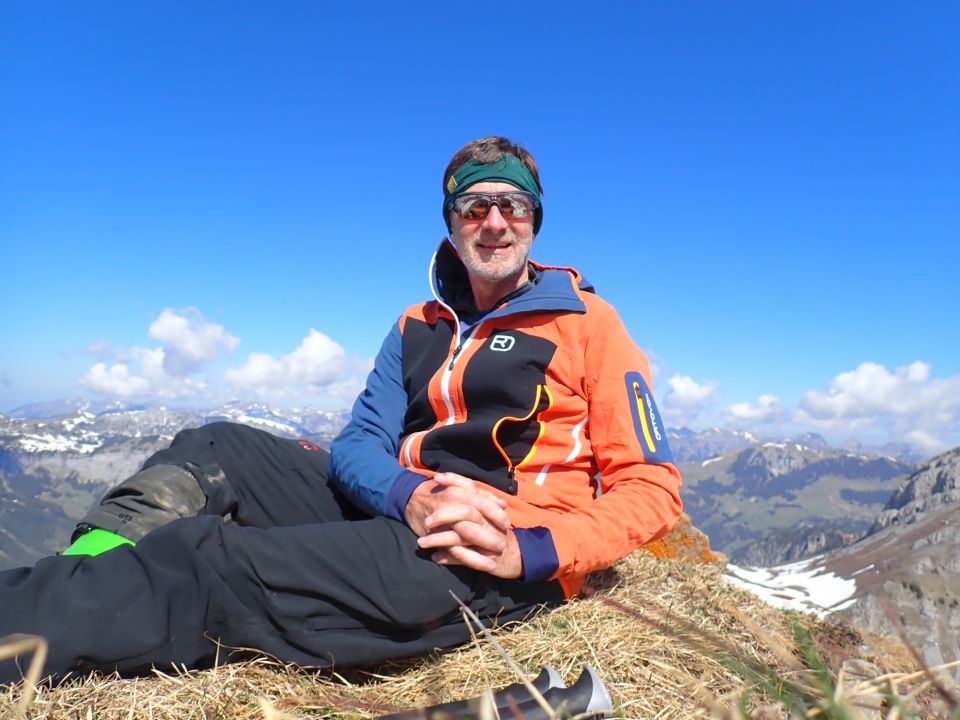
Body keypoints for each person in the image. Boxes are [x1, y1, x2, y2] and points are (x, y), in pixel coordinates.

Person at [0, 136, 683, 686]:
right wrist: (408, 494)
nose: (496, 222)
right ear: (452, 225)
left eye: (513, 205)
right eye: (475, 207)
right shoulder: (417, 324)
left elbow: (652, 488)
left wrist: (531, 549)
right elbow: (359, 443)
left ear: (535, 219)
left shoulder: (590, 323)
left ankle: (19, 630)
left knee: (215, 565)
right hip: (405, 509)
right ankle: (83, 566)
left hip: (485, 549)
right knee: (216, 447)